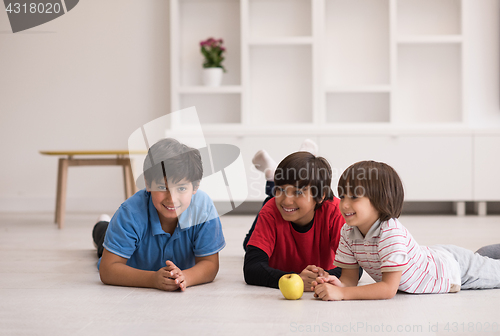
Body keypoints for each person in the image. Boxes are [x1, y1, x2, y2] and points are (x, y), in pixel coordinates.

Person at [312, 160, 500, 301]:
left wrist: (343, 293)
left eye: (354, 197)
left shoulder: (389, 232)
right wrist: (336, 284)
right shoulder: (348, 232)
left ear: (382, 201)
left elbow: (388, 289)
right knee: (483, 258)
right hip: (433, 255)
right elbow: (349, 279)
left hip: (453, 269)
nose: (344, 204)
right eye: (342, 195)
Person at [91, 138, 225, 291]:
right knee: (103, 237)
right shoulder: (130, 213)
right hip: (130, 256)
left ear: (195, 186)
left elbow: (210, 264)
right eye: (162, 187)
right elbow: (108, 270)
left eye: (181, 189)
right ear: (148, 184)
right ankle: (102, 224)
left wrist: (185, 277)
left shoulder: (204, 209)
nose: (171, 199)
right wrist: (152, 279)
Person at [244, 140, 361, 291]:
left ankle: (274, 170)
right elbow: (251, 268)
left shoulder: (335, 212)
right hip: (274, 213)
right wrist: (297, 279)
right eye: (280, 189)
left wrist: (320, 279)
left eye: (298, 192)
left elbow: (356, 267)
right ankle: (273, 175)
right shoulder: (272, 209)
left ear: (320, 196)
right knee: (248, 244)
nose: (287, 200)